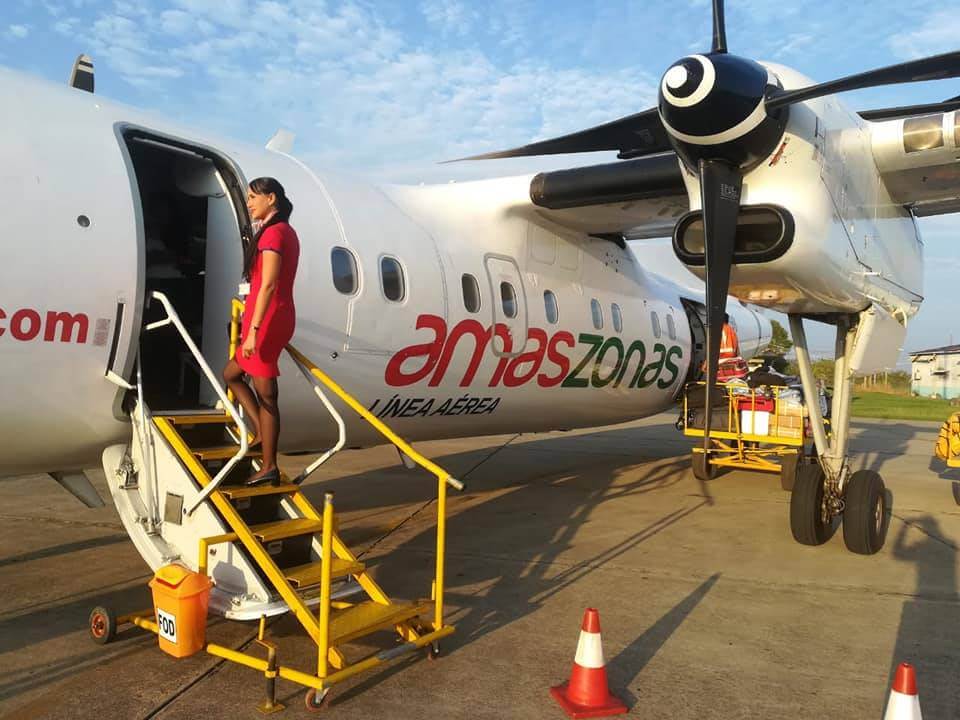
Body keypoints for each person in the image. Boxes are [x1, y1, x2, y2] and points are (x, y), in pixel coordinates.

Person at [222, 177, 299, 485]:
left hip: (266, 321)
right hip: (271, 316)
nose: (249, 202)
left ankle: (269, 465)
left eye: (254, 197)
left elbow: (268, 284)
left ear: (272, 199)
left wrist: (253, 332)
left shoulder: (273, 236)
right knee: (231, 374)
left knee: (267, 394)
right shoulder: (284, 232)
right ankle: (260, 435)